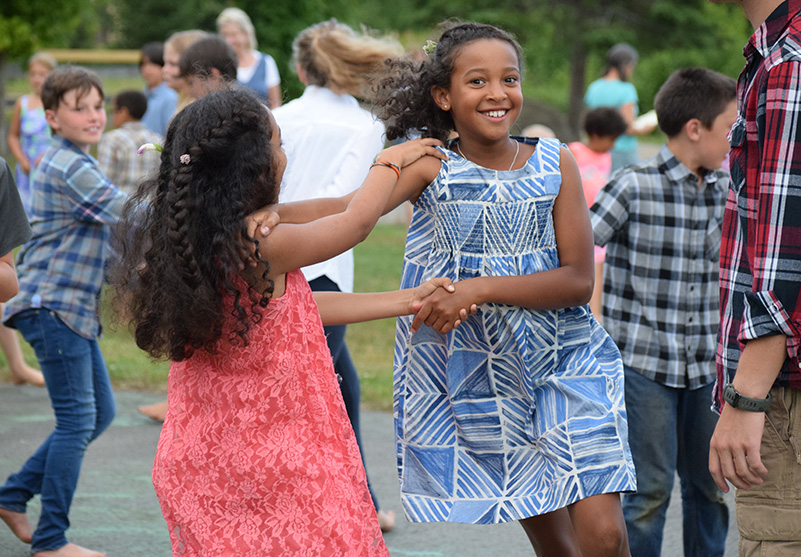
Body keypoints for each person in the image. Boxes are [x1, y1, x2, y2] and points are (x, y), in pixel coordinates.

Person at [113, 88, 449, 555]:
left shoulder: (197, 239)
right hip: (272, 464)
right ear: (252, 165)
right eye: (278, 143)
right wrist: (387, 161)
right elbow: (354, 223)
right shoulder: (263, 246)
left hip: (201, 461)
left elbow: (293, 313)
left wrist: (406, 299)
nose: (284, 153)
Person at [366, 22, 636, 556]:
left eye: (509, 78)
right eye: (477, 81)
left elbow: (578, 281)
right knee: (558, 547)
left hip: (568, 362)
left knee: (604, 535)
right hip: (482, 379)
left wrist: (478, 288)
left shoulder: (554, 161)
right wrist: (262, 218)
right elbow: (348, 215)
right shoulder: (431, 165)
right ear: (443, 97)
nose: (497, 94)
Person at [589, 67, 736, 557]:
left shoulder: (731, 190)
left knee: (711, 489)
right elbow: (575, 245)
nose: (736, 138)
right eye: (729, 127)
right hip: (643, 367)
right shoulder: (633, 186)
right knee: (648, 494)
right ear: (695, 128)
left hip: (707, 369)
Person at [272, 18, 404, 533]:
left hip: (272, 263)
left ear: (302, 68)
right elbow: (353, 206)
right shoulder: (366, 126)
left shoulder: (278, 116)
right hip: (325, 269)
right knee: (315, 397)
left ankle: (363, 499)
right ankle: (328, 508)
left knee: (339, 384)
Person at [0, 66, 128, 557]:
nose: (94, 116)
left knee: (99, 414)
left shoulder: (74, 159)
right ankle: (51, 540)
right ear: (52, 116)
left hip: (69, 309)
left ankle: (11, 495)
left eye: (98, 106)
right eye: (80, 108)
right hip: (53, 306)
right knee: (77, 421)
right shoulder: (69, 165)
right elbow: (129, 213)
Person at [707, 0, 801, 554]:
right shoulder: (771, 51)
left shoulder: (787, 59)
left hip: (784, 387)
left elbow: (785, 251)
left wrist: (748, 399)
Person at [568, 107, 627, 319]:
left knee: (597, 273)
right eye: (610, 139)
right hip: (575, 224)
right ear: (595, 135)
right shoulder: (573, 152)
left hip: (597, 224)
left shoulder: (606, 157)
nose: (612, 145)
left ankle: (596, 318)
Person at [585, 43, 655, 172]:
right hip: (622, 150)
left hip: (597, 148)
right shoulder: (626, 90)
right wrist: (644, 129)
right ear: (626, 65)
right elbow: (628, 128)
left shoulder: (594, 87)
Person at [7, 51, 57, 213]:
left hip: (50, 164)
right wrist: (22, 160)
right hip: (27, 168)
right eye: (33, 74)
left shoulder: (57, 102)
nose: (37, 79)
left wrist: (47, 155)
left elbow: (62, 135)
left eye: (42, 74)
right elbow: (13, 136)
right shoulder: (22, 103)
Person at [97, 90, 161, 194]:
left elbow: (104, 181)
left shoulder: (111, 139)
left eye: (113, 111)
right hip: (149, 206)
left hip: (120, 206)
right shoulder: (157, 140)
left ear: (123, 112)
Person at [216, 7, 282, 108]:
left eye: (233, 35)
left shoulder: (266, 62)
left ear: (246, 34)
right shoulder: (219, 66)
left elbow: (276, 103)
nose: (228, 41)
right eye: (224, 35)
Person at [162, 30, 207, 115]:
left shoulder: (198, 111)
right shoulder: (183, 103)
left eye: (173, 64)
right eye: (165, 63)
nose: (164, 70)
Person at [139, 42, 178, 138]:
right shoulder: (144, 94)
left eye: (153, 64)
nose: (147, 70)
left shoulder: (170, 97)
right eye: (143, 64)